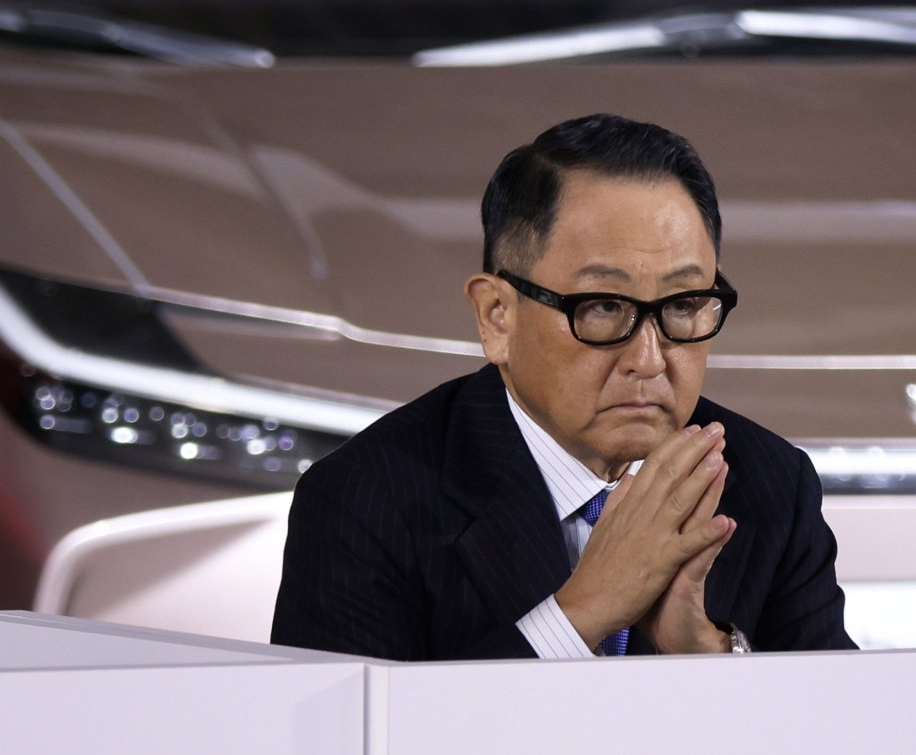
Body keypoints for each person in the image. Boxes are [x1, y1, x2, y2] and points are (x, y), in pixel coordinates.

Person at [271, 113, 855, 660]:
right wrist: (584, 611)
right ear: (497, 317)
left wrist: (706, 650)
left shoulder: (771, 484)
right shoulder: (364, 501)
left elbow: (840, 719)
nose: (649, 361)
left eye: (683, 305)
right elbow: (355, 724)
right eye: (602, 306)